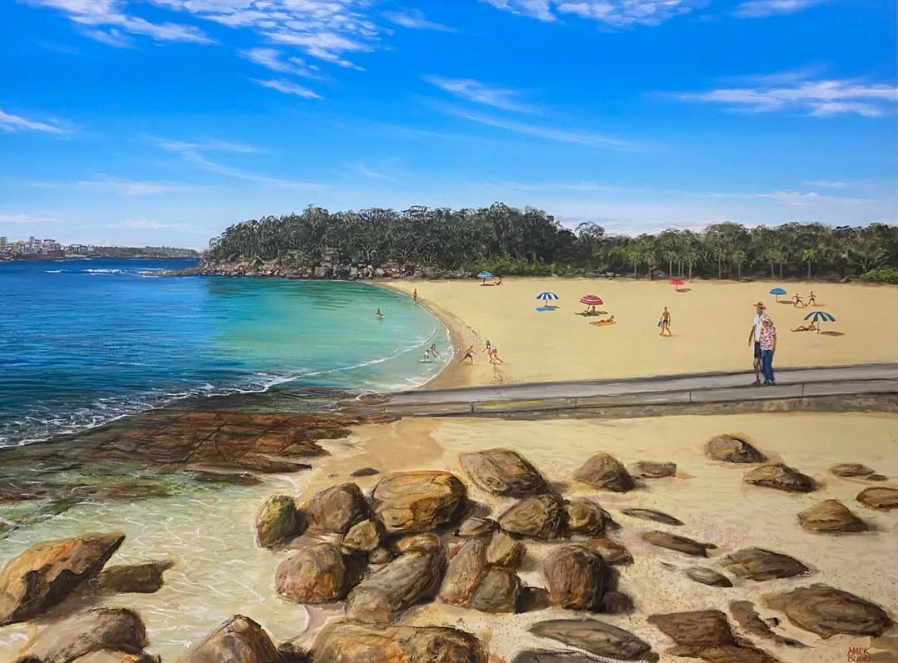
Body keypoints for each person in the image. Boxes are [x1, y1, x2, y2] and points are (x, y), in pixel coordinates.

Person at [747, 302, 766, 385]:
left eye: (759, 308)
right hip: (757, 342)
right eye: (757, 308)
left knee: (761, 364)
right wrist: (750, 338)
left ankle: (766, 378)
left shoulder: (765, 318)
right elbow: (753, 328)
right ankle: (757, 379)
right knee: (755, 363)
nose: (758, 310)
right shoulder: (755, 317)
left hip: (763, 342)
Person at [759, 315, 777, 385]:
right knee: (763, 365)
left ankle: (771, 379)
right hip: (763, 349)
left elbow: (774, 338)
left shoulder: (771, 329)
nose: (764, 323)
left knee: (767, 365)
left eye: (766, 322)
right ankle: (767, 379)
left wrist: (773, 347)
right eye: (763, 322)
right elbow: (761, 339)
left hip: (769, 349)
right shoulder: (762, 329)